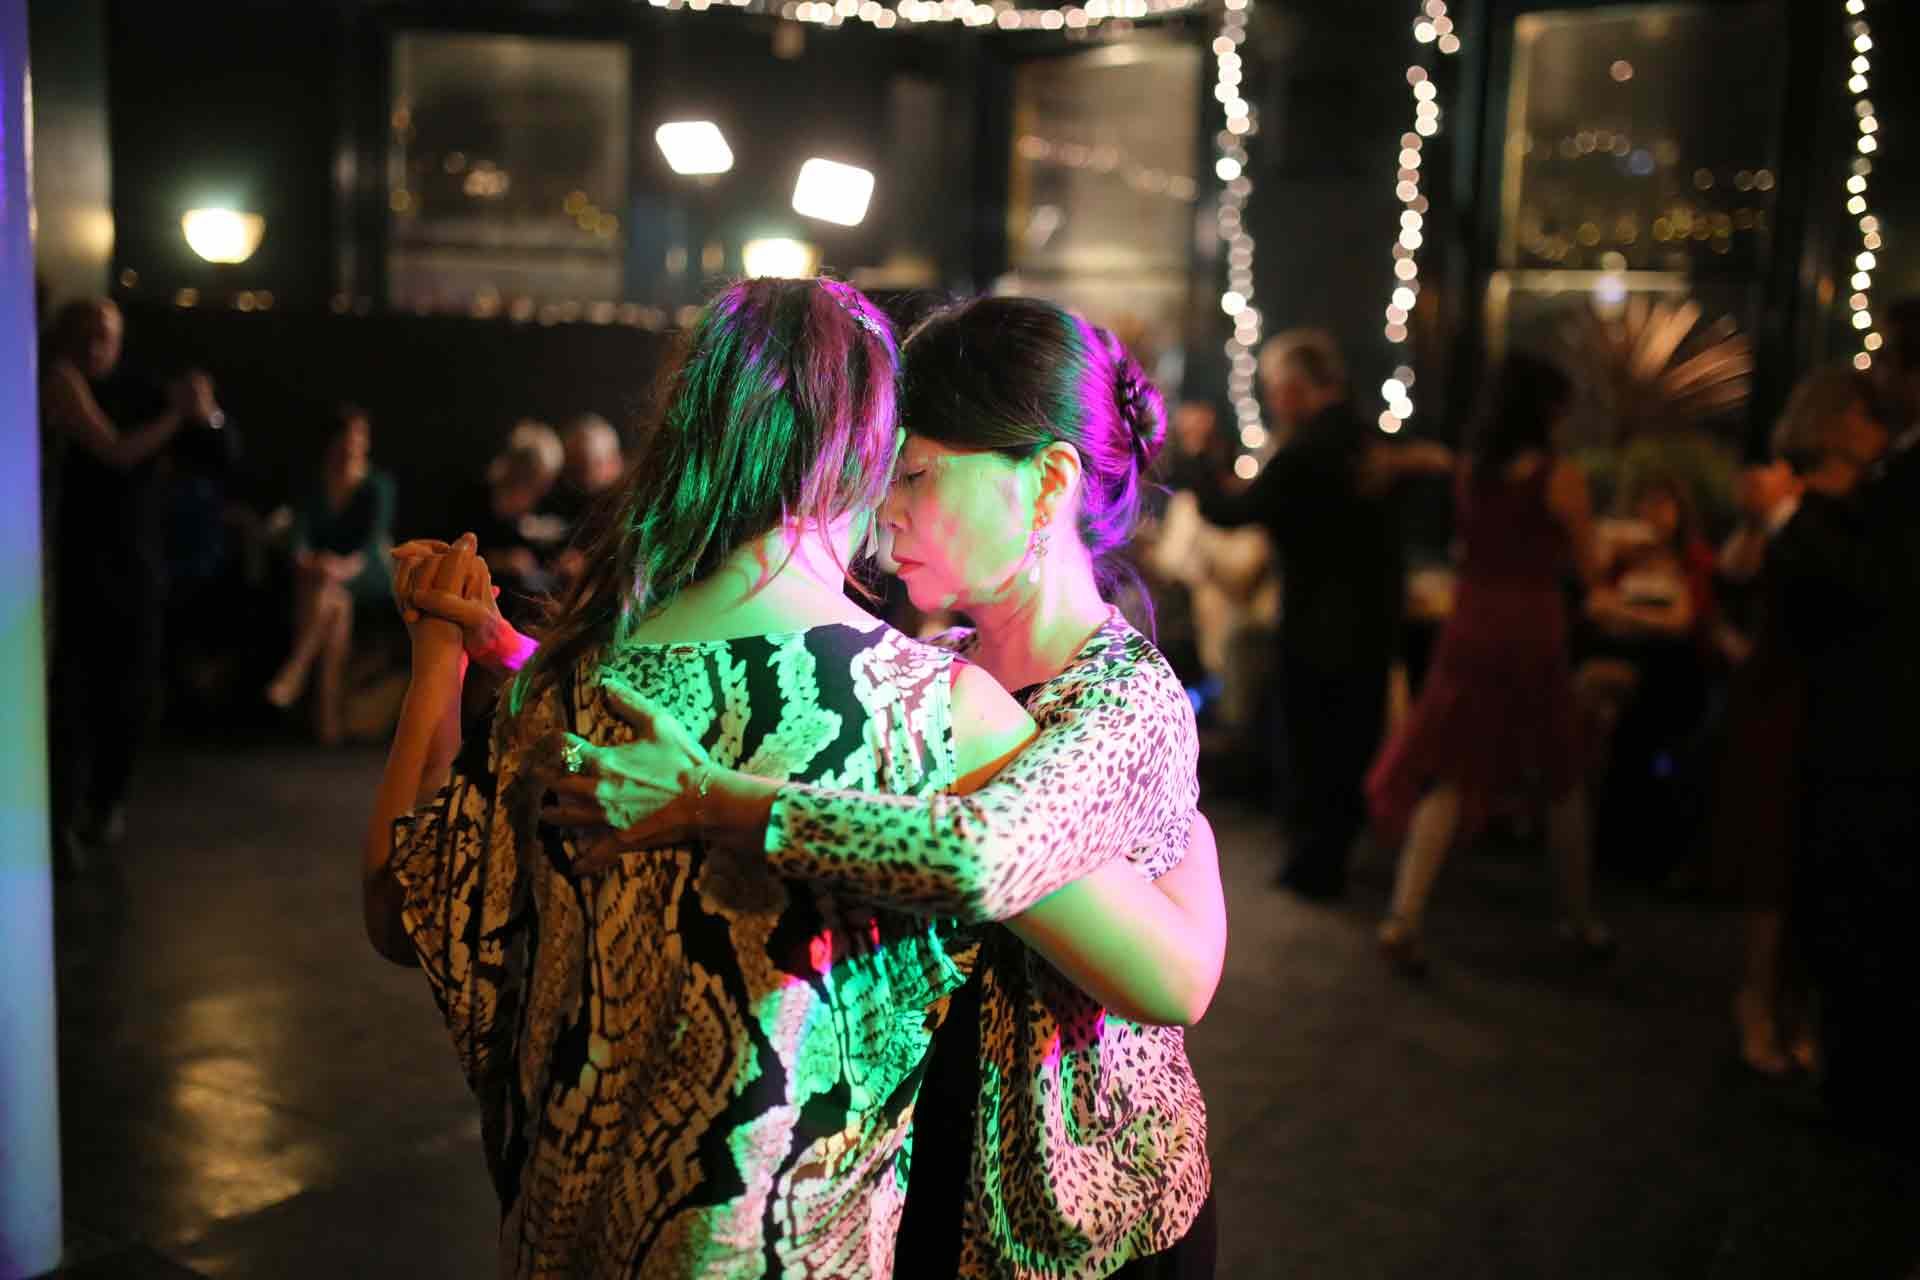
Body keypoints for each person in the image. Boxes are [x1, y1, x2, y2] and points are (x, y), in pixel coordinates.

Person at [369, 280, 1221, 1277]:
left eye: (920, 474)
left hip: (1091, 1216)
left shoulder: (1114, 696)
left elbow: (989, 859)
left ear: (1047, 484)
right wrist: (517, 652)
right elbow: (777, 704)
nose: (884, 514)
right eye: (886, 472)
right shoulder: (937, 667)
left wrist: (710, 803)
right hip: (944, 1181)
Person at [1367, 353, 1608, 976]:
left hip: (1470, 626)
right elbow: (1592, 566)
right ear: (1550, 411)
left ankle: (1404, 915)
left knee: (1451, 770)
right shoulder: (1561, 478)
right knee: (1562, 773)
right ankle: (1578, 919)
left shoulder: (1472, 471)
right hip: (1532, 627)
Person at [1195, 328, 1451, 899]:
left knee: (1311, 744)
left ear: (1293, 387)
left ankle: (1314, 866)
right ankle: (1338, 850)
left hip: (1315, 622)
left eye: (1274, 388)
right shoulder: (1372, 441)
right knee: (1353, 738)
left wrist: (1196, 463)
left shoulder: (1307, 449)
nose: (1273, 400)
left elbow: (1235, 513)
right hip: (1373, 617)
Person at [1761, 347, 1917, 1146]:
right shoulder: (1849, 496)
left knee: (1851, 904)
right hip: (1846, 723)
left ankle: (1850, 1080)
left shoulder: (1872, 498)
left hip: (1868, 729)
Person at [40, 298, 217, 861]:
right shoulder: (59, 381)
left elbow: (217, 448)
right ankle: (66, 821)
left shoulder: (137, 388)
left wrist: (201, 413)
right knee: (74, 699)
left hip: (135, 568)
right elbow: (116, 452)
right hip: (75, 567)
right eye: (88, 336)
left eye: (107, 337)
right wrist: (174, 415)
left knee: (132, 698)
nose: (97, 348)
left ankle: (101, 808)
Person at [265, 404, 396, 743]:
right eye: (345, 436)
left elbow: (370, 547)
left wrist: (336, 567)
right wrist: (315, 563)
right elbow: (298, 541)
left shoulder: (377, 486)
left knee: (327, 593)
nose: (351, 444)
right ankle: (328, 721)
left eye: (358, 436)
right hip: (321, 576)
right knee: (335, 604)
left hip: (365, 574)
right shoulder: (312, 483)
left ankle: (296, 671)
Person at [453, 421, 568, 622]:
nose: (544, 488)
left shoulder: (541, 504)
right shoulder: (473, 499)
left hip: (521, 608)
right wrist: (501, 560)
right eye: (536, 478)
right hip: (476, 604)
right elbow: (451, 555)